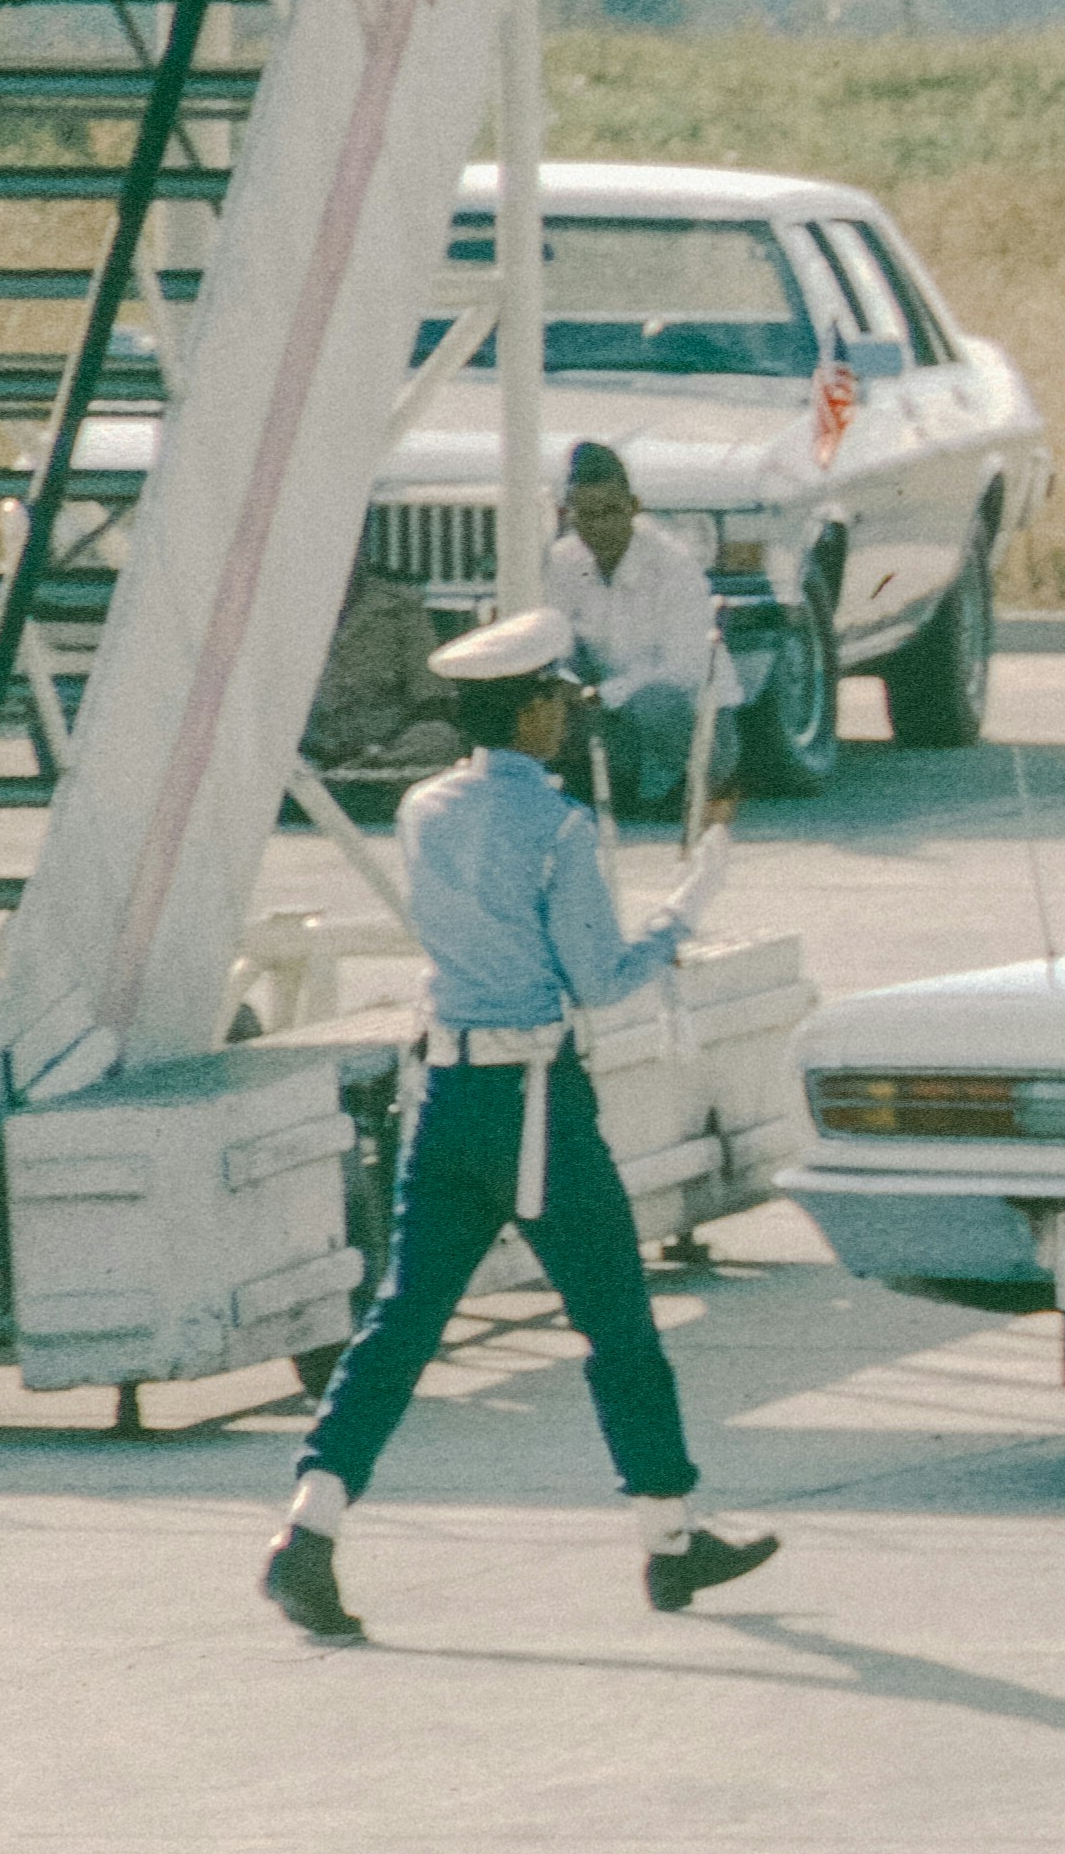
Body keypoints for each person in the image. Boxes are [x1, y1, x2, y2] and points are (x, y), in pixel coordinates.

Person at [258, 609, 781, 1645]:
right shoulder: (557, 826)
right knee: (620, 1324)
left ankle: (308, 1526)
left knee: (403, 1318)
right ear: (534, 706)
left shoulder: (423, 809)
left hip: (445, 1090)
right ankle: (670, 1534)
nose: (565, 715)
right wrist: (689, 905)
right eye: (559, 699)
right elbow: (600, 978)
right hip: (536, 1099)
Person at [540, 440, 726, 823]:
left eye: (611, 511)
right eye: (587, 515)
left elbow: (685, 671)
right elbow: (554, 639)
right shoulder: (562, 561)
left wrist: (596, 695)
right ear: (569, 516)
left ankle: (675, 790)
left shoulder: (675, 566)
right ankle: (609, 786)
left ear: (634, 507)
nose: (600, 526)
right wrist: (562, 683)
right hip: (611, 715)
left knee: (656, 700)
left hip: (689, 723)